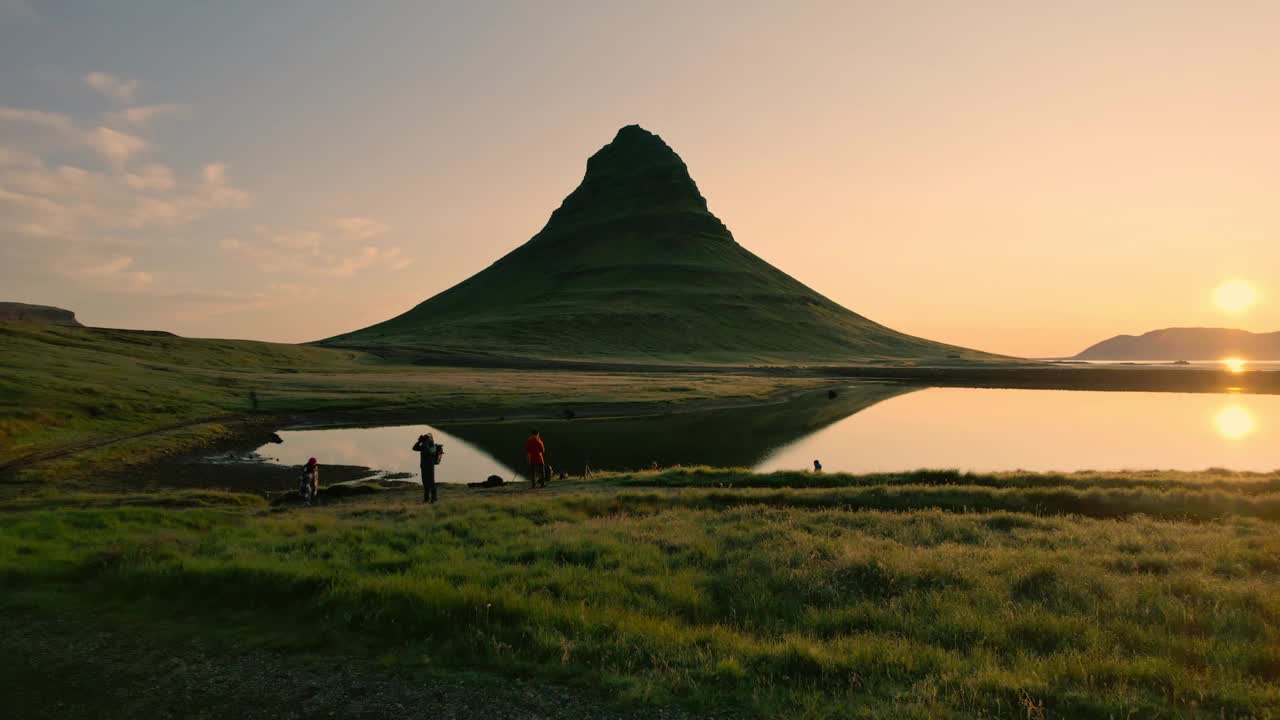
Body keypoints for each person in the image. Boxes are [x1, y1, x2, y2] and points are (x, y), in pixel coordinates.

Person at [412, 433, 443, 503]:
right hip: (423, 466)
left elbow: (427, 452)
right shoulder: (424, 445)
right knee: (425, 483)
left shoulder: (433, 447)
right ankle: (426, 499)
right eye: (426, 438)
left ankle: (434, 499)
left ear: (432, 439)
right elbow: (414, 448)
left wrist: (425, 442)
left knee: (431, 482)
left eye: (428, 438)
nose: (426, 439)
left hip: (429, 466)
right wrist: (419, 441)